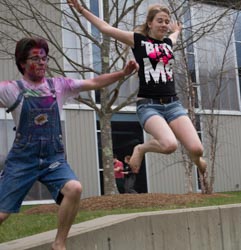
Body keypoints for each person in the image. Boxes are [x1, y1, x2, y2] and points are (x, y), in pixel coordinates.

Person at [0, 37, 138, 250]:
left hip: (53, 158)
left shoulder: (59, 86)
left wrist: (122, 74)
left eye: (44, 58)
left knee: (74, 188)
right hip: (22, 159)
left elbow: (94, 83)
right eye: (35, 58)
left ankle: (59, 243)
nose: (42, 63)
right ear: (22, 63)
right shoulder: (11, 89)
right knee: (2, 213)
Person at [67, 1, 207, 175]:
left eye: (166, 22)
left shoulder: (168, 44)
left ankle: (197, 160)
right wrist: (82, 10)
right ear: (150, 23)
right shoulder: (138, 40)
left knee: (197, 149)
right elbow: (105, 28)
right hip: (149, 106)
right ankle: (141, 148)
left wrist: (177, 29)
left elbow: (175, 35)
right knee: (170, 145)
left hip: (173, 105)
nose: (164, 25)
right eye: (160, 21)